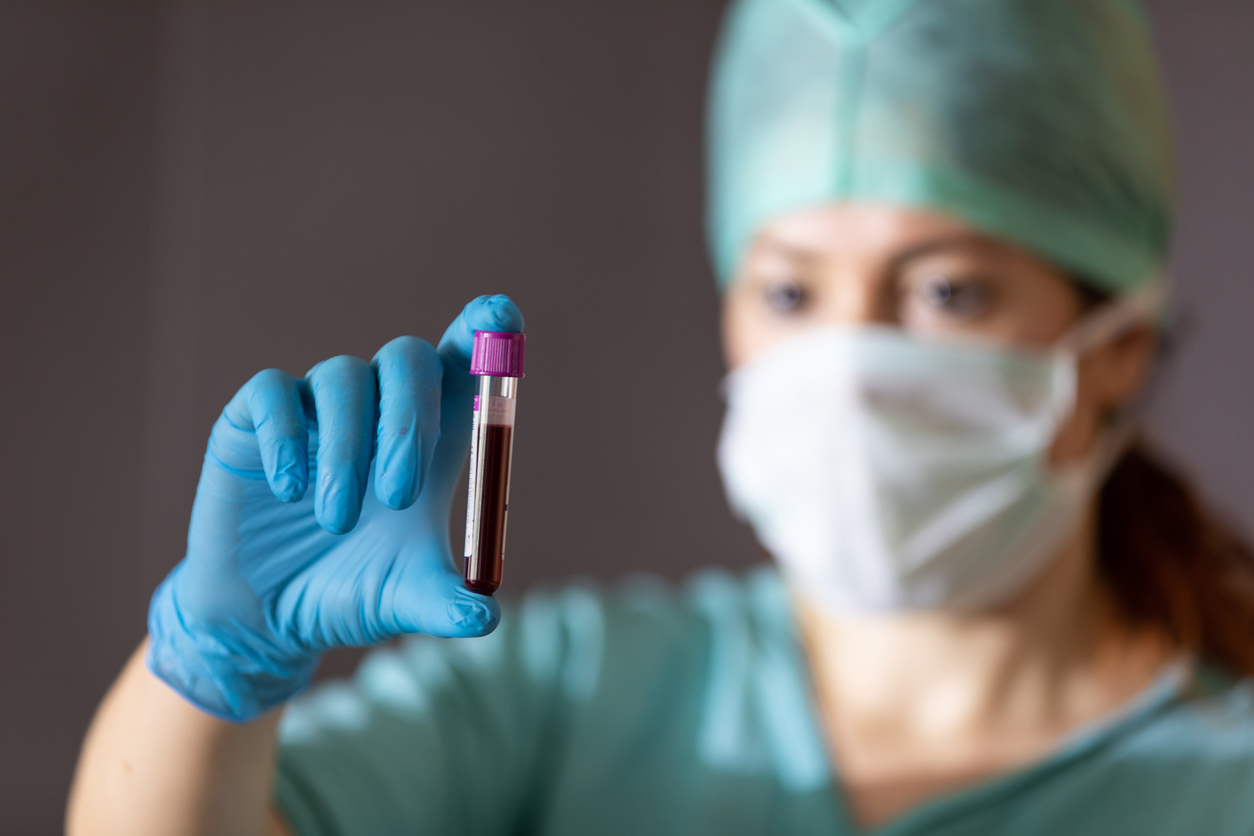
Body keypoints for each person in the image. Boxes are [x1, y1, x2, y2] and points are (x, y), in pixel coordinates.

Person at [67, 0, 1254, 833]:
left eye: (945, 288)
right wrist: (214, 671)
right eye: (789, 288)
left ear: (1115, 350)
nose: (844, 358)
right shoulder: (565, 695)